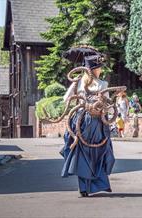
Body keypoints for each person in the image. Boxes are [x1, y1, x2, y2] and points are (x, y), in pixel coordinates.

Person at [60, 55, 115, 197]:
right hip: (97, 123)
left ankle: (83, 188)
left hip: (81, 121)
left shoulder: (77, 82)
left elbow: (65, 99)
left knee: (81, 153)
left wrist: (80, 104)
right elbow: (108, 107)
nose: (101, 70)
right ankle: (98, 184)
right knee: (97, 153)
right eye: (99, 68)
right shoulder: (102, 84)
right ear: (94, 69)